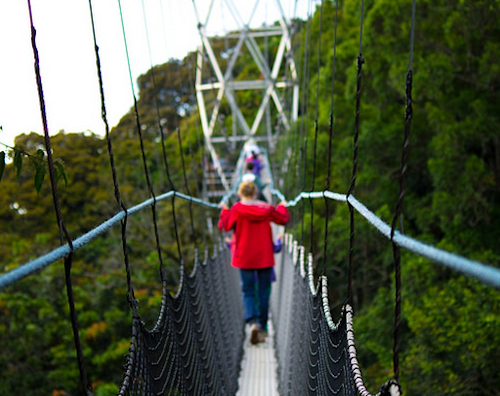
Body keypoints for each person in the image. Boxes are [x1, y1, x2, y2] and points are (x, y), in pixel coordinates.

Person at [219, 181, 289, 345]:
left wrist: (224, 211)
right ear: (256, 192)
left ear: (240, 193)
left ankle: (253, 324)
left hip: (244, 257)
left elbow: (224, 225)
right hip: (264, 256)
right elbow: (283, 219)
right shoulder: (266, 208)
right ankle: (263, 328)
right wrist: (282, 206)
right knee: (264, 292)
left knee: (248, 291)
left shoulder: (236, 209)